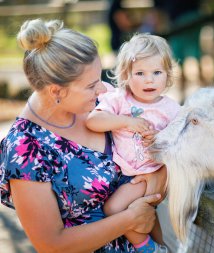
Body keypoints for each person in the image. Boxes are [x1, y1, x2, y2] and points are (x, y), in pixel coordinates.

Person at [0, 19, 167, 253]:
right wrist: (129, 220)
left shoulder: (104, 103)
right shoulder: (25, 148)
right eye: (91, 85)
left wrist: (158, 176)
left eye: (100, 78)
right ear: (56, 91)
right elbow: (51, 244)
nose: (102, 89)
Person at [86, 33, 180, 253]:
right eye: (140, 73)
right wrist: (126, 121)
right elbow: (93, 121)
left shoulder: (172, 109)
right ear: (126, 75)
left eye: (157, 72)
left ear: (168, 74)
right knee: (147, 216)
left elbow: (182, 142)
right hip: (125, 174)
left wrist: (159, 138)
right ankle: (161, 248)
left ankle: (146, 247)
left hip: (151, 175)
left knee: (113, 208)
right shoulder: (119, 99)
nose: (149, 80)